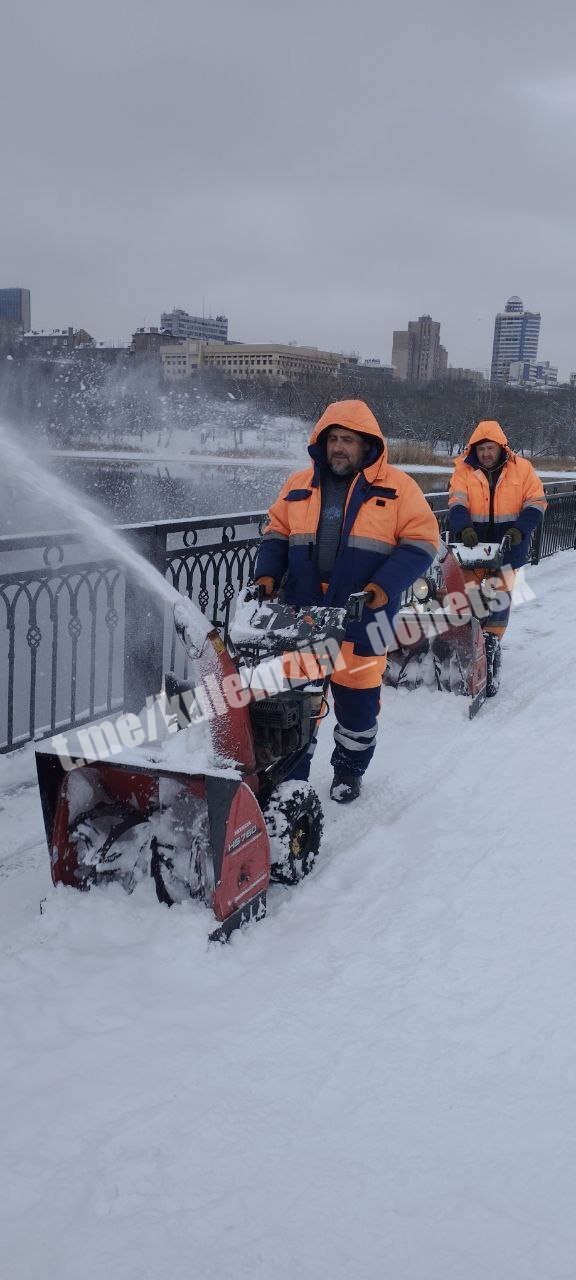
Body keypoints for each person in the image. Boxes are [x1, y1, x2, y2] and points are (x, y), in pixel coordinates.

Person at [253, 399, 440, 802]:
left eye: (348, 440)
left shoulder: (398, 487)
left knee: (356, 711)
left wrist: (381, 588)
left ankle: (348, 772)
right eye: (333, 439)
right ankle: (292, 783)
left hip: (363, 621)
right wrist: (266, 576)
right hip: (301, 618)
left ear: (367, 445)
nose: (339, 447)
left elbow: (422, 543)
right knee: (296, 707)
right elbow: (276, 533)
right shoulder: (299, 484)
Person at [448, 419, 547, 694]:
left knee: (499, 598)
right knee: (470, 598)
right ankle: (469, 640)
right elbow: (456, 502)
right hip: (472, 546)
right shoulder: (463, 470)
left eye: (490, 448)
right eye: (481, 449)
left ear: (500, 447)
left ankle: (491, 644)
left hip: (508, 545)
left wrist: (520, 530)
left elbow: (536, 502)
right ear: (474, 450)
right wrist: (463, 527)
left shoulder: (522, 469)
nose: (486, 454)